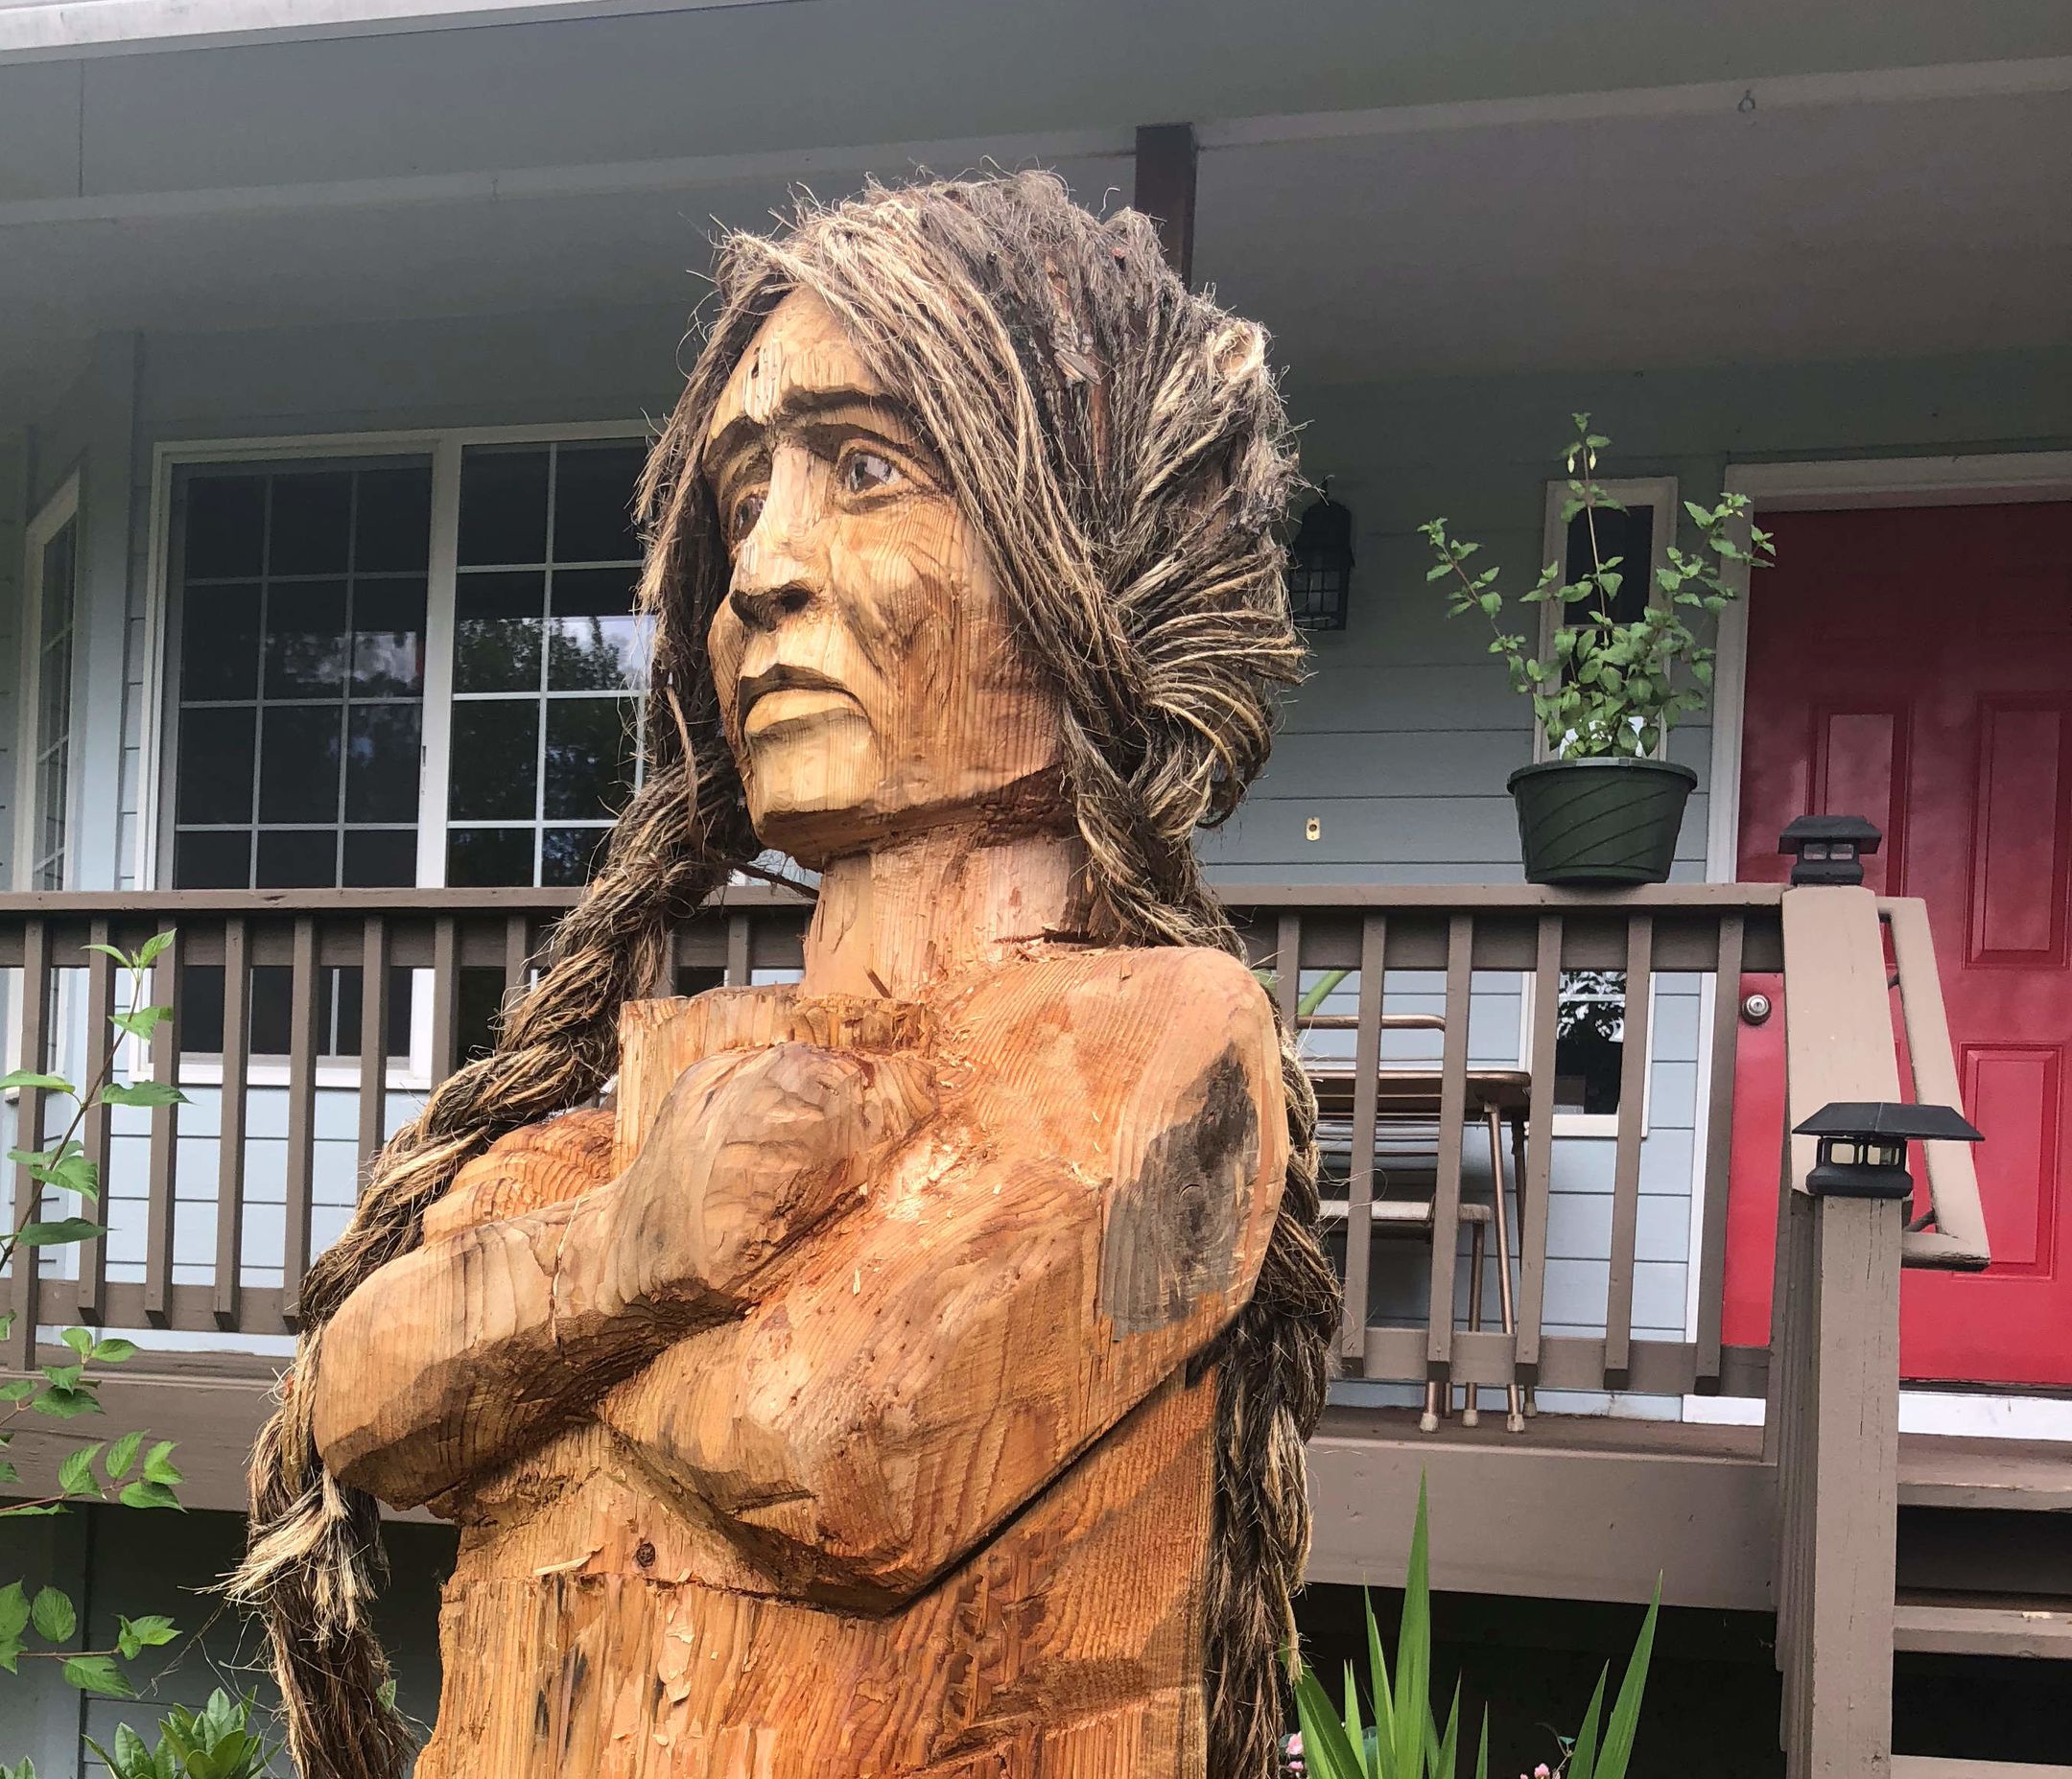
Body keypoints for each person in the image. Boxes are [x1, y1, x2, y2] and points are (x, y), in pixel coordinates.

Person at [230, 172, 1339, 1779]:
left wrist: (551, 1326)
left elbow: (849, 1443)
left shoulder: (1157, 1040)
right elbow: (354, 1397)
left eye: (866, 468)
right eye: (745, 498)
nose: (763, 570)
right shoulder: (658, 1094)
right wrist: (639, 1248)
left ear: (1089, 551)